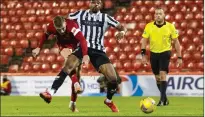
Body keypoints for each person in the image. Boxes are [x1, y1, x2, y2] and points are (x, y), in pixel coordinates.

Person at [68, 0, 126, 112]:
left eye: (98, 2)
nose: (96, 4)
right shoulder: (80, 14)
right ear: (89, 3)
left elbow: (121, 27)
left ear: (101, 5)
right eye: (93, 2)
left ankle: (108, 101)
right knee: (72, 67)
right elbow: (65, 20)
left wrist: (122, 33)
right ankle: (73, 103)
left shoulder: (105, 17)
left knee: (113, 79)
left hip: (98, 51)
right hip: (82, 47)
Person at [32, 16, 90, 112]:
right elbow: (45, 35)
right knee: (68, 62)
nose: (62, 31)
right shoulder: (51, 26)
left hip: (76, 46)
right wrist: (39, 47)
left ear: (65, 23)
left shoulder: (72, 26)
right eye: (59, 29)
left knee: (76, 72)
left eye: (63, 28)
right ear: (55, 27)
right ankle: (51, 93)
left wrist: (85, 55)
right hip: (63, 45)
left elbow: (83, 40)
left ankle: (73, 103)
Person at [141, 8, 182, 106]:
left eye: (160, 13)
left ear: (164, 15)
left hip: (165, 52)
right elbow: (144, 40)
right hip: (153, 53)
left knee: (163, 74)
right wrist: (143, 54)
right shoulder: (149, 26)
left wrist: (179, 57)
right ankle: (165, 98)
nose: (158, 15)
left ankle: (162, 100)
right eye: (156, 14)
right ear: (154, 16)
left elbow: (176, 42)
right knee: (158, 78)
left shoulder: (170, 26)